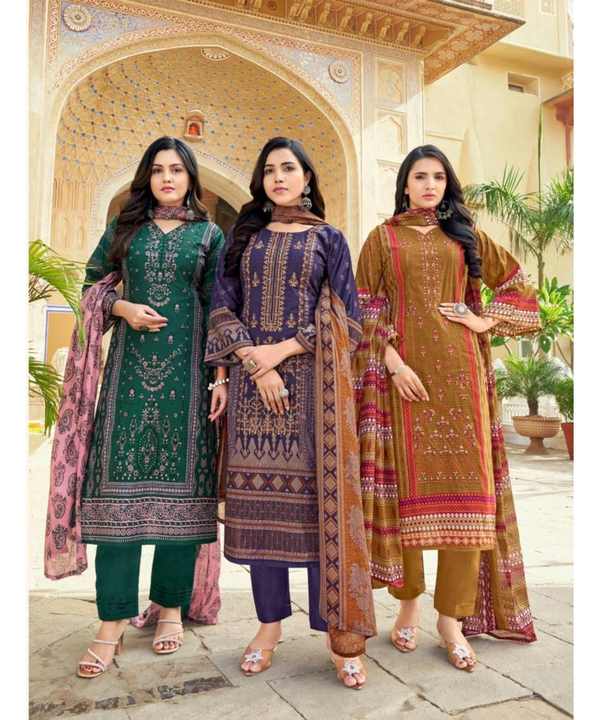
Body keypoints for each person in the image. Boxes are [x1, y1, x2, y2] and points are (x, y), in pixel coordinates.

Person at [353, 144, 539, 672]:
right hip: (404, 382)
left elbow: (520, 288)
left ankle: (451, 619)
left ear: (447, 184)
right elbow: (361, 309)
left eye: (438, 176)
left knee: (470, 496)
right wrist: (392, 362)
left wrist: (483, 321)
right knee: (405, 494)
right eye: (420, 176)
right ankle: (409, 602)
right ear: (405, 185)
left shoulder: (466, 235)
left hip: (463, 382)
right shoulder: (382, 239)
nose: (429, 185)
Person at [206, 137, 376, 689]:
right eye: (269, 170)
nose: (278, 177)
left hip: (314, 397)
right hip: (254, 390)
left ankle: (334, 633)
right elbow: (222, 306)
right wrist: (254, 364)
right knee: (262, 515)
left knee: (320, 512)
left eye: (288, 168)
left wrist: (282, 351)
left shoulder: (329, 239)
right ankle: (269, 626)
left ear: (307, 178)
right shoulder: (246, 237)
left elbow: (349, 320)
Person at [64, 136, 227, 678]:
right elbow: (90, 286)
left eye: (177, 169)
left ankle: (171, 607)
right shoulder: (124, 228)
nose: (167, 178)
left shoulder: (209, 234)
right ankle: (111, 621)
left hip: (189, 380)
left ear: (191, 177)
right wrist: (122, 307)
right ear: (146, 177)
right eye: (158, 170)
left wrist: (221, 375)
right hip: (127, 380)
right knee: (117, 497)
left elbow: (220, 305)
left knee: (185, 497)